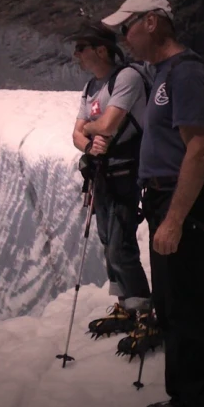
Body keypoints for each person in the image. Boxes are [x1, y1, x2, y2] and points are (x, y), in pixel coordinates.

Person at [101, 0, 204, 407]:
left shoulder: (188, 73)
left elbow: (199, 149)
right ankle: (185, 403)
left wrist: (174, 219)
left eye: (127, 27)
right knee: (173, 310)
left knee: (190, 311)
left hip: (186, 211)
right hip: (168, 205)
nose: (124, 37)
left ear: (152, 22)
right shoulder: (164, 74)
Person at [70, 23, 152, 338]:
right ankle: (127, 306)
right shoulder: (92, 86)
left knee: (120, 245)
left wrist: (91, 130)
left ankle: (144, 311)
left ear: (101, 50)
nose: (76, 54)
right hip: (102, 173)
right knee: (108, 243)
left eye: (81, 47)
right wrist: (91, 141)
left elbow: (108, 124)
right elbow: (76, 135)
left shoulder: (127, 78)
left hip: (126, 172)